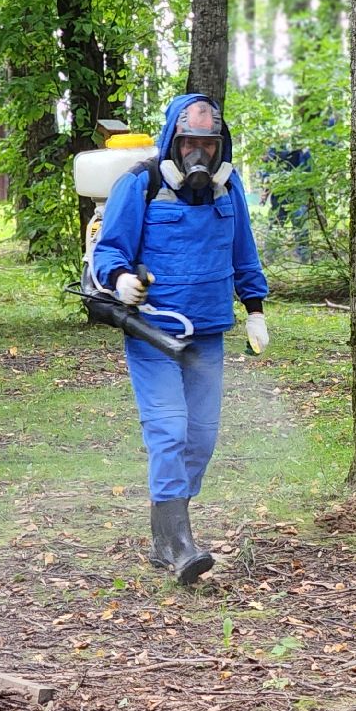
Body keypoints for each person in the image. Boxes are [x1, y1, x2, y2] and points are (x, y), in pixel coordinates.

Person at [90, 94, 270, 584]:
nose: (198, 153)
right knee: (169, 431)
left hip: (208, 335)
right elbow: (108, 252)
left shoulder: (229, 192)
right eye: (189, 141)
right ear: (174, 139)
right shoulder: (140, 184)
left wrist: (254, 310)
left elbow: (244, 254)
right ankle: (178, 545)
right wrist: (121, 278)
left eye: (207, 144)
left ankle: (165, 533)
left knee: (200, 439)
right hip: (153, 332)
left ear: (219, 145)